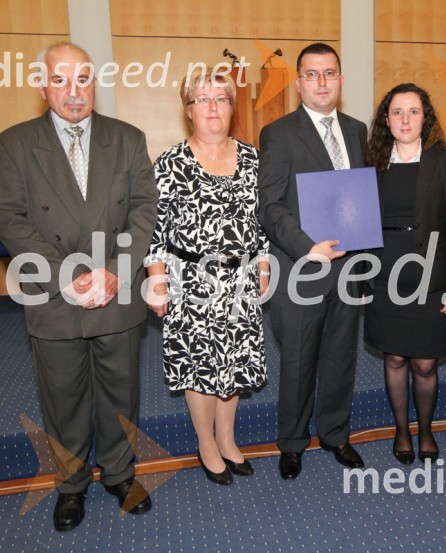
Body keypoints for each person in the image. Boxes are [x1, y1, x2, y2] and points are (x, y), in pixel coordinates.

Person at [0, 42, 157, 531]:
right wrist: (70, 275)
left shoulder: (127, 138)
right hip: (55, 292)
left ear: (94, 83)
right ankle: (71, 484)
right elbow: (10, 220)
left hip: (116, 288)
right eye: (60, 80)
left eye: (83, 78)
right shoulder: (12, 144)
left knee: (120, 391)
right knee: (62, 397)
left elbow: (145, 208)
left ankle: (121, 475)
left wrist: (114, 271)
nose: (73, 91)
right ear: (42, 87)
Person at [146, 66, 269, 486]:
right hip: (190, 283)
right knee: (198, 367)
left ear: (233, 109)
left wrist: (264, 261)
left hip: (240, 282)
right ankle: (206, 443)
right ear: (189, 109)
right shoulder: (170, 163)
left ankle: (229, 439)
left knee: (232, 363)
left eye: (221, 98)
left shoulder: (254, 158)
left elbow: (261, 222)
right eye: (203, 99)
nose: (213, 107)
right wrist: (158, 280)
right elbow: (155, 231)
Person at [258, 42, 368, 480]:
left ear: (340, 79)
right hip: (300, 268)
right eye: (312, 74)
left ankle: (337, 434)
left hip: (349, 269)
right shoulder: (279, 133)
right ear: (299, 81)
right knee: (299, 361)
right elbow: (269, 206)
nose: (322, 82)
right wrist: (307, 248)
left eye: (330, 73)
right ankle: (292, 442)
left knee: (341, 358)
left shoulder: (359, 130)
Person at [363, 83, 446, 465]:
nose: (405, 120)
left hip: (431, 277)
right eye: (397, 112)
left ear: (426, 118)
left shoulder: (444, 160)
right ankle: (402, 431)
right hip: (383, 274)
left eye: (413, 112)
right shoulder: (372, 160)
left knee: (424, 362)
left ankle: (425, 430)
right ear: (386, 119)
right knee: (394, 360)